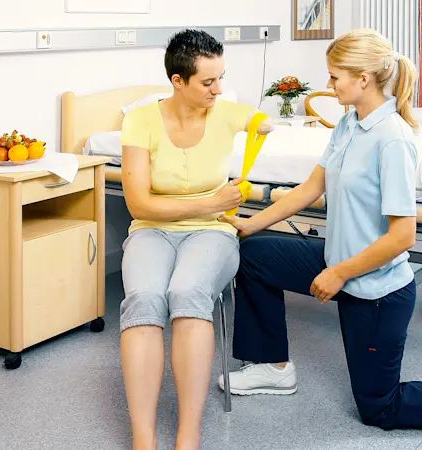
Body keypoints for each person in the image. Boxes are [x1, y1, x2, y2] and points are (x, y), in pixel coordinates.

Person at [217, 29, 422, 435]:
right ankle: (272, 366)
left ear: (364, 79)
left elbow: (403, 237)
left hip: (375, 290)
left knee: (379, 408)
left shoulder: (392, 141)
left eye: (335, 77)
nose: (329, 85)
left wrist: (339, 274)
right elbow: (310, 188)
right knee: (255, 255)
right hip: (337, 262)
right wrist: (251, 223)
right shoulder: (350, 124)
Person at [119, 29, 271, 450]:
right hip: (152, 231)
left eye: (221, 78)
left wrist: (264, 123)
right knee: (145, 299)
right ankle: (143, 437)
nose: (218, 90)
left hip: (213, 232)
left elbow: (256, 119)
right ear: (178, 81)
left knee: (186, 293)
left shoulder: (222, 111)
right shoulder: (140, 121)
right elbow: (139, 206)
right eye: (209, 82)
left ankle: (189, 432)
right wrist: (210, 202)